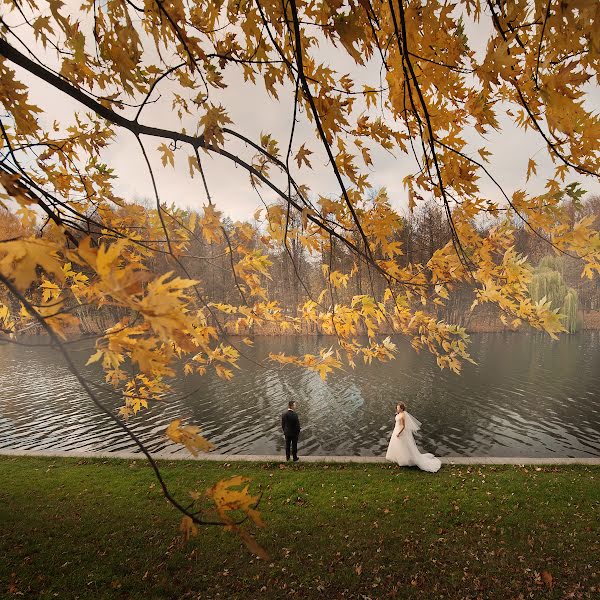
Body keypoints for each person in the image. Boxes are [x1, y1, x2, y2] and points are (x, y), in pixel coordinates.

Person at [385, 402, 441, 472]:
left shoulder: (403, 416)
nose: (397, 409)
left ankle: (405, 459)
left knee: (402, 446)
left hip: (400, 432)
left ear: (402, 409)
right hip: (396, 430)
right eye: (397, 407)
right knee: (397, 445)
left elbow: (403, 426)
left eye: (398, 408)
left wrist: (399, 433)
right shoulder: (399, 414)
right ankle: (397, 457)